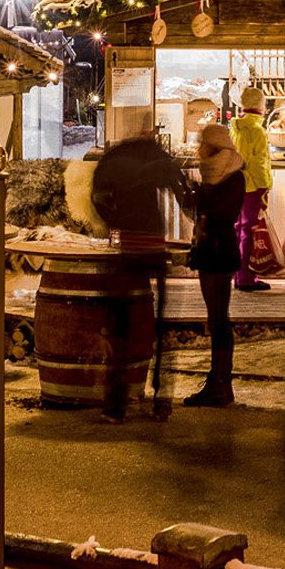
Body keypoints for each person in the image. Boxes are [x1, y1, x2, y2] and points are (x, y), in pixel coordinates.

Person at [89, 135, 190, 420]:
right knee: (159, 326)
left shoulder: (116, 166)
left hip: (130, 247)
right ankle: (161, 398)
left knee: (120, 328)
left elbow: (99, 200)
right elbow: (182, 194)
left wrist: (114, 222)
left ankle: (116, 403)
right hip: (154, 248)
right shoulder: (154, 164)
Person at [184, 123, 247, 407]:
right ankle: (219, 382)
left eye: (203, 143)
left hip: (220, 248)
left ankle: (219, 383)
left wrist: (199, 196)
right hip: (211, 246)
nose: (199, 149)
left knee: (219, 318)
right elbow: (201, 208)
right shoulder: (213, 171)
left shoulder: (232, 175)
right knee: (215, 317)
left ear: (214, 145)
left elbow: (219, 211)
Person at [231, 85, 276, 291]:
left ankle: (239, 275)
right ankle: (246, 279)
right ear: (261, 105)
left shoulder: (236, 128)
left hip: (236, 186)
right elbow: (259, 164)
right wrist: (264, 187)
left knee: (239, 230)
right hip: (251, 187)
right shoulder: (256, 130)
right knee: (248, 231)